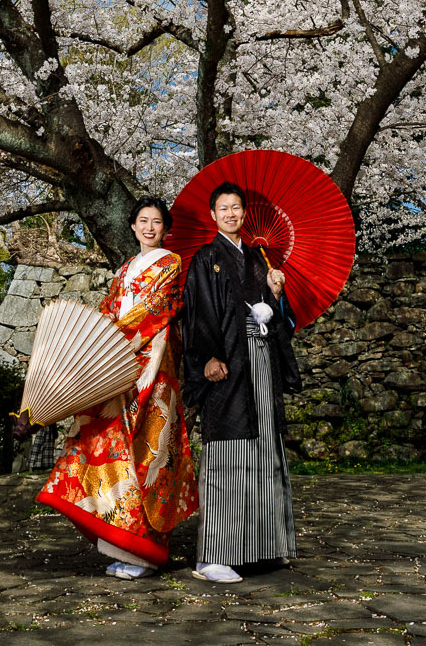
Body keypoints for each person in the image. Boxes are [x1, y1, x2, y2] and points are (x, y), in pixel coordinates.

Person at [31, 197, 198, 578]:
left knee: (145, 451)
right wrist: (94, 350)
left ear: (166, 228)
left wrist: (116, 345)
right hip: (117, 362)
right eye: (143, 221)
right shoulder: (124, 269)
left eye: (157, 222)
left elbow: (154, 312)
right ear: (134, 226)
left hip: (150, 363)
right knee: (104, 439)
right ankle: (117, 538)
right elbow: (110, 310)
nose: (150, 228)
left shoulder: (170, 263)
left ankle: (144, 551)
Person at [179, 181, 299, 584]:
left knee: (265, 447)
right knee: (228, 453)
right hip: (228, 364)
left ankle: (264, 547)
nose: (231, 214)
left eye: (236, 208)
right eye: (223, 209)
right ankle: (213, 554)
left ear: (244, 214)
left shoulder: (259, 258)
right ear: (213, 215)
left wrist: (276, 297)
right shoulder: (205, 258)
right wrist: (209, 357)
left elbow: (284, 318)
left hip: (261, 361)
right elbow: (196, 315)